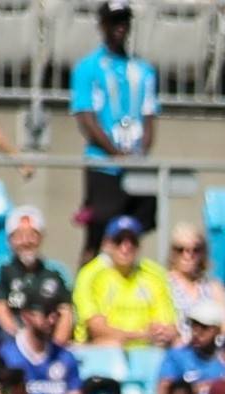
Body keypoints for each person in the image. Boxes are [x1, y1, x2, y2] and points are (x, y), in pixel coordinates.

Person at [70, 8, 160, 256]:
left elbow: (149, 115)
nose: (120, 27)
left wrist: (140, 154)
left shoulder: (143, 69)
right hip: (103, 164)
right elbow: (86, 118)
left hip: (136, 164)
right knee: (97, 236)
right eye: (114, 21)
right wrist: (115, 154)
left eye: (124, 21)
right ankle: (83, 293)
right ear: (102, 24)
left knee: (132, 235)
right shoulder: (87, 67)